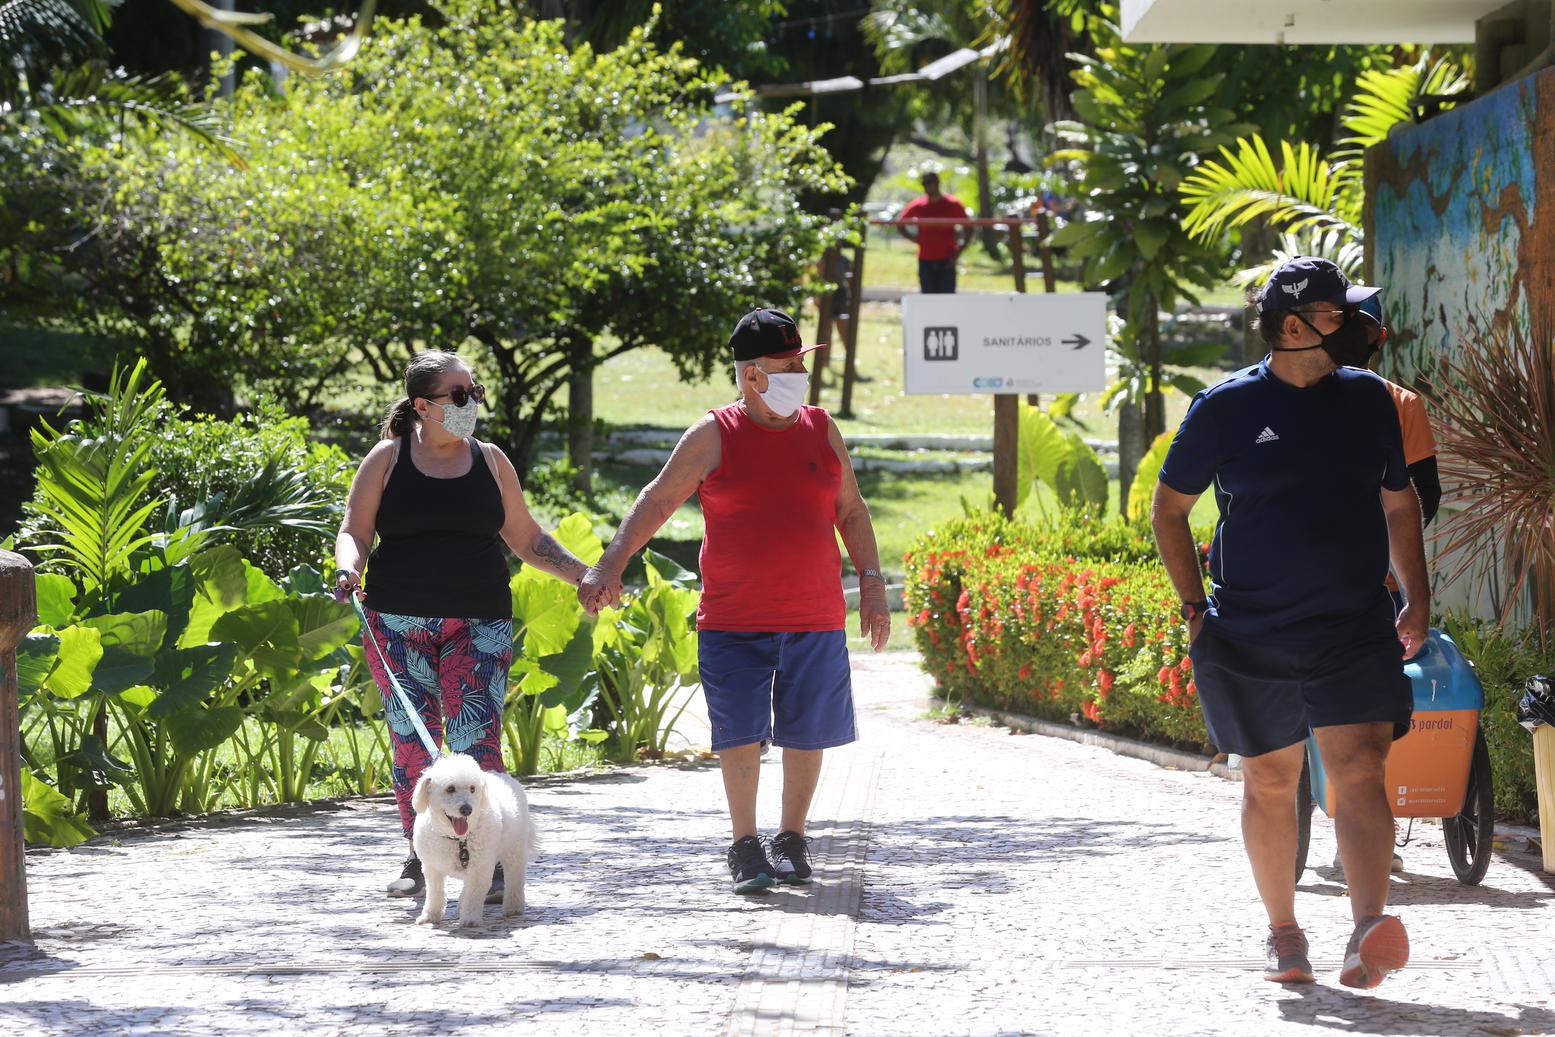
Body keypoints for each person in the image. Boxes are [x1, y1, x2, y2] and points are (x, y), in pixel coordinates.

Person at [1150, 257, 1430, 990]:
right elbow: (1168, 509)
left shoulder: (1372, 400)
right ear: (1295, 325)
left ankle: (1366, 929)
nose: (1361, 330)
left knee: (1360, 768)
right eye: (1341, 316)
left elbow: (1398, 504)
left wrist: (1417, 595)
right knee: (1271, 781)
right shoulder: (1224, 407)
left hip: (1351, 624)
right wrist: (1192, 609)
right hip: (1250, 630)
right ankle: (1284, 931)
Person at [577, 307, 891, 894]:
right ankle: (745, 844)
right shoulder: (713, 434)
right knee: (739, 732)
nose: (800, 371)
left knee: (808, 730)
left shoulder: (822, 428)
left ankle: (792, 838)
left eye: (801, 360)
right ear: (752, 375)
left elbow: (851, 509)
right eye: (788, 363)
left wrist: (871, 584)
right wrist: (610, 563)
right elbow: (655, 501)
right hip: (734, 618)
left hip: (815, 616)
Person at [334, 350, 593, 899]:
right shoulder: (386, 459)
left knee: (478, 745)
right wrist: (347, 567)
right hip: (395, 624)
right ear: (424, 406)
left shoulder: (492, 461)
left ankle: (488, 863)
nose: (470, 403)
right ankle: (420, 856)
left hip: (479, 624)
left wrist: (586, 577)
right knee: (413, 746)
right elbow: (355, 530)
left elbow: (529, 540)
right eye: (458, 395)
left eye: (474, 393)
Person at [898, 172, 971, 294]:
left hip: (947, 259)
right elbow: (900, 222)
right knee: (928, 298)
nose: (926, 186)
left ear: (937, 183)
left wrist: (960, 250)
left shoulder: (953, 204)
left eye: (929, 182)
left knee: (947, 298)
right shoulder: (918, 205)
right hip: (925, 259)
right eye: (924, 183)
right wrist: (913, 238)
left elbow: (968, 227)